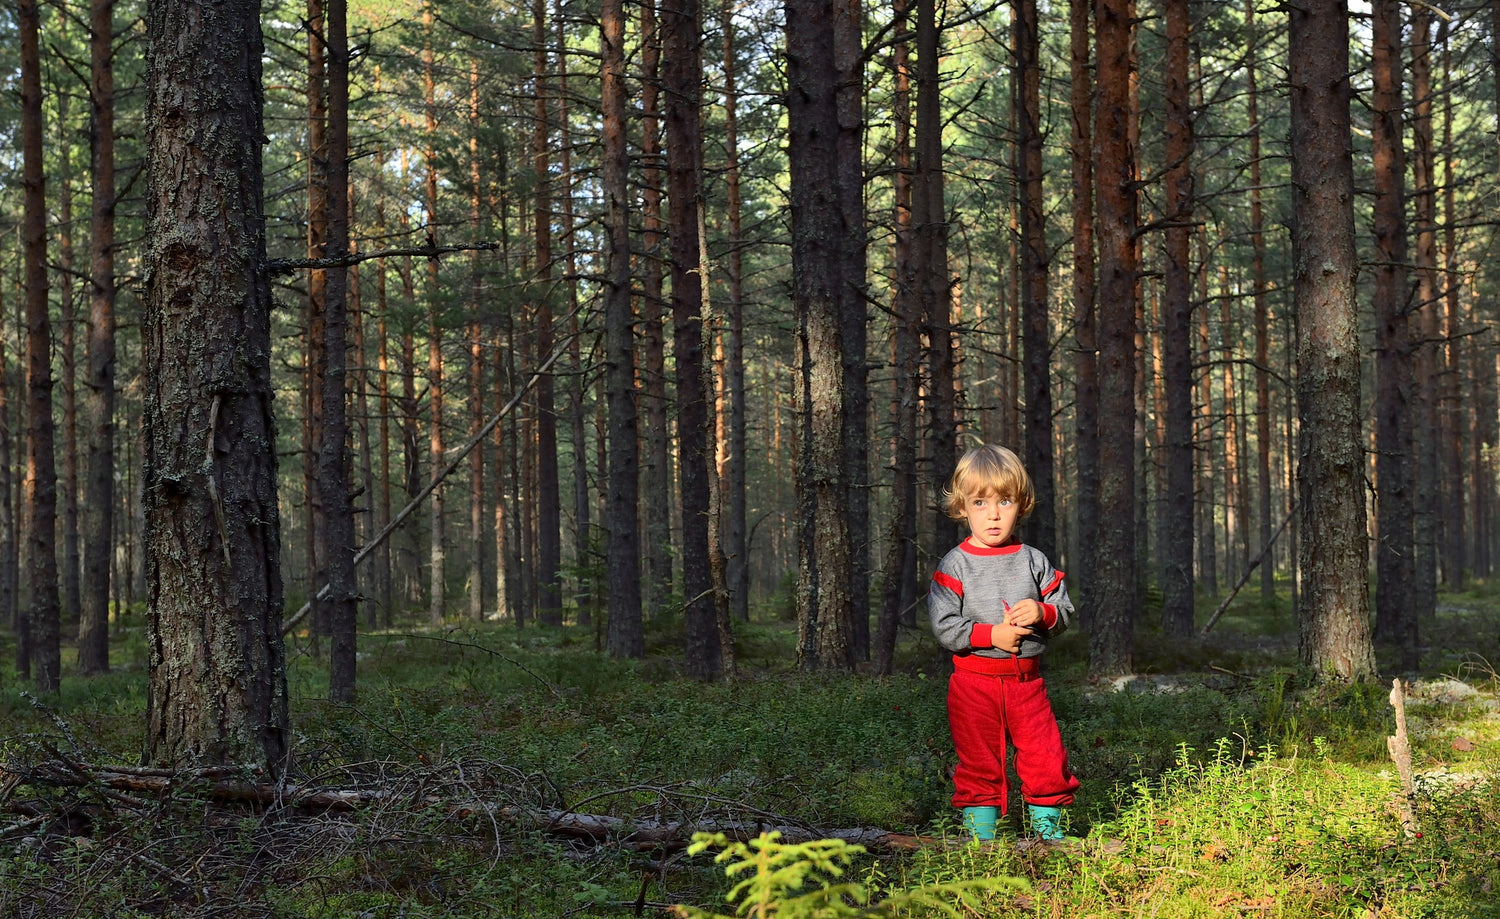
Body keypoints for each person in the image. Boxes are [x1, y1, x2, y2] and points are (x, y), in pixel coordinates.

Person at [928, 444, 1080, 841]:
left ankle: (1050, 842)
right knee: (980, 763)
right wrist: (990, 635)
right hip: (973, 684)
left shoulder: (1033, 559)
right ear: (962, 507)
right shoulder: (955, 564)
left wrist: (1041, 612)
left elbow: (1063, 610)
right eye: (980, 502)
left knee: (1046, 757)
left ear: (1022, 503)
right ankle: (982, 843)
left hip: (1027, 685)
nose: (993, 514)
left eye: (1005, 501)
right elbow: (944, 626)